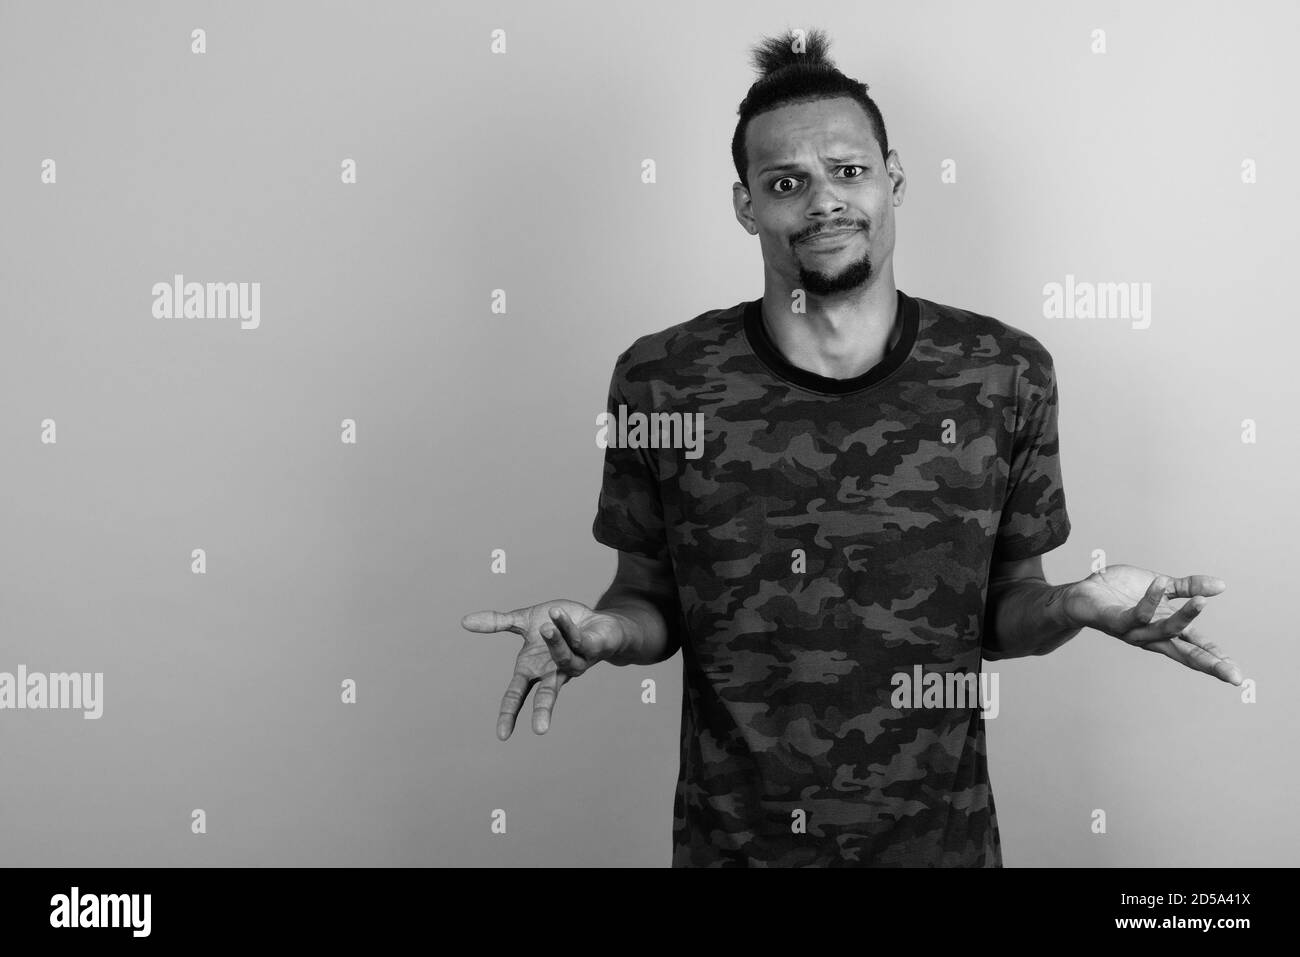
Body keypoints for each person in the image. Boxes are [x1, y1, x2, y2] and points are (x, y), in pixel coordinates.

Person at [461, 28, 1241, 867]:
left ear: (894, 179)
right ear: (745, 204)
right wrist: (604, 634)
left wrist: (1074, 606)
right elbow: (648, 599)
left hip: (942, 846)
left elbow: (1004, 609)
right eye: (787, 182)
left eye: (849, 171)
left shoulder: (1004, 373)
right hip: (733, 848)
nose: (824, 201)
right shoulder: (661, 379)